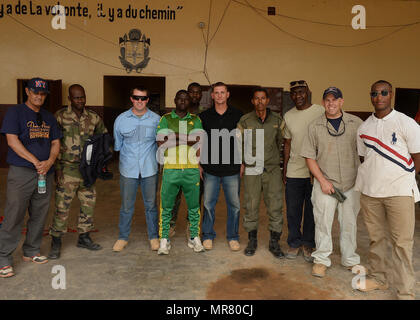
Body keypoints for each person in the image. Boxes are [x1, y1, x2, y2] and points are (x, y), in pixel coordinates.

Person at [354, 80, 420, 300]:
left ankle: (405, 291)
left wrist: (403, 177)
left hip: (399, 193)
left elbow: (417, 156)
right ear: (370, 96)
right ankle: (380, 279)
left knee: (402, 243)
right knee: (376, 239)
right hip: (371, 193)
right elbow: (364, 158)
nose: (379, 96)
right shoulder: (364, 128)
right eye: (374, 93)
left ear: (390, 94)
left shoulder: (406, 122)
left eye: (383, 92)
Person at [0, 78, 62, 278]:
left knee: (39, 212)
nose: (39, 96)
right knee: (14, 213)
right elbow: (12, 140)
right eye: (35, 92)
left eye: (43, 94)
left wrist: (50, 161)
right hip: (23, 172)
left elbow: (55, 142)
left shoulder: (49, 117)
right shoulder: (15, 112)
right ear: (27, 91)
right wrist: (36, 161)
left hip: (45, 172)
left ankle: (32, 250)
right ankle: (4, 257)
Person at [300, 87, 363, 277]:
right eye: (327, 100)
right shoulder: (315, 126)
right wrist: (322, 181)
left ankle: (350, 259)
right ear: (323, 102)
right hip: (325, 184)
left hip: (351, 184)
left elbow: (366, 153)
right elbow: (309, 157)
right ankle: (321, 260)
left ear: (341, 102)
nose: (331, 103)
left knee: (349, 224)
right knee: (322, 224)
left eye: (335, 100)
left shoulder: (356, 123)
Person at [47, 84, 107, 259]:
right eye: (76, 97)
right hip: (67, 169)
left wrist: (98, 163)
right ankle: (56, 241)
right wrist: (57, 168)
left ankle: (84, 237)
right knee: (61, 207)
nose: (80, 100)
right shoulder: (60, 116)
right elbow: (53, 142)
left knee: (88, 204)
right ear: (70, 99)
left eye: (82, 97)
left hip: (87, 170)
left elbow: (103, 137)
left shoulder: (93, 117)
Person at [237, 87, 285, 258]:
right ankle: (252, 241)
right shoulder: (245, 120)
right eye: (256, 98)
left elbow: (281, 141)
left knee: (275, 206)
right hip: (252, 169)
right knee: (251, 205)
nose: (260, 101)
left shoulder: (277, 120)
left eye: (263, 98)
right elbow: (238, 144)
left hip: (272, 170)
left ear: (267, 100)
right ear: (252, 101)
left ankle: (274, 242)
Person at [112, 86, 161, 252]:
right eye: (136, 98)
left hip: (150, 169)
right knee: (126, 206)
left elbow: (160, 143)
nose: (140, 101)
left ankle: (154, 237)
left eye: (143, 98)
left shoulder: (156, 120)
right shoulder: (120, 120)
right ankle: (123, 237)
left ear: (147, 100)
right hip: (128, 170)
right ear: (131, 99)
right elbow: (118, 146)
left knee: (151, 205)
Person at [156, 90, 205, 255]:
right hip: (171, 168)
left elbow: (198, 142)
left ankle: (194, 236)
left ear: (190, 101)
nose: (183, 101)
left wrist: (174, 137)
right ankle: (164, 238)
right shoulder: (166, 118)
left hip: (191, 169)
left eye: (186, 99)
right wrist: (186, 138)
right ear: (175, 100)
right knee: (167, 206)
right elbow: (161, 142)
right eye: (180, 98)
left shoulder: (196, 119)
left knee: (193, 206)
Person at [282, 80, 324, 262]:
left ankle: (308, 243)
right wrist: (284, 169)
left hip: (315, 172)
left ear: (308, 92)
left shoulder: (320, 111)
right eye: (294, 93)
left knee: (312, 210)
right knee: (293, 210)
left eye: (301, 92)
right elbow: (287, 143)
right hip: (294, 170)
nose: (297, 96)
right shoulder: (288, 116)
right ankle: (294, 243)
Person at [199, 82, 243, 251]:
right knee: (209, 203)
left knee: (234, 205)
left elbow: (241, 141)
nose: (219, 95)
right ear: (212, 96)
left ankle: (233, 237)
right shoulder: (205, 116)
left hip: (232, 169)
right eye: (216, 93)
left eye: (222, 92)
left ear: (227, 94)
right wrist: (198, 164)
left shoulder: (238, 115)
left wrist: (243, 163)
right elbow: (200, 141)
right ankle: (208, 235)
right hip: (210, 169)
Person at [169, 82, 205, 237]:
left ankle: (192, 225)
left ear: (202, 95)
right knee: (173, 196)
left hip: (197, 162)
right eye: (192, 92)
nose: (194, 95)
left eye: (198, 92)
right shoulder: (178, 113)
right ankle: (170, 225)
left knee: (195, 196)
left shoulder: (205, 113)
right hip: (176, 161)